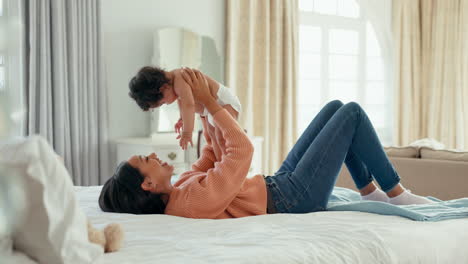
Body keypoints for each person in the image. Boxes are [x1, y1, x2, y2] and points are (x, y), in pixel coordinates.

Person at [99, 68, 433, 217]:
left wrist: (202, 108)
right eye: (146, 159)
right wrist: (213, 106)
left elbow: (214, 153)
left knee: (335, 108)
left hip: (278, 185)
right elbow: (241, 150)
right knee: (352, 114)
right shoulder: (189, 203)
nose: (154, 155)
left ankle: (369, 191)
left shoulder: (181, 185)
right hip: (291, 200)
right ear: (147, 184)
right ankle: (395, 193)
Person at [128, 66, 241, 150]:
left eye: (163, 102)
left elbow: (189, 105)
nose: (167, 104)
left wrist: (187, 132)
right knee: (213, 139)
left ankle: (226, 166)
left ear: (163, 88)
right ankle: (220, 165)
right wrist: (182, 118)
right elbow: (182, 103)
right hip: (211, 110)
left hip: (226, 103)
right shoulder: (174, 85)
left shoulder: (180, 78)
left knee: (222, 139)